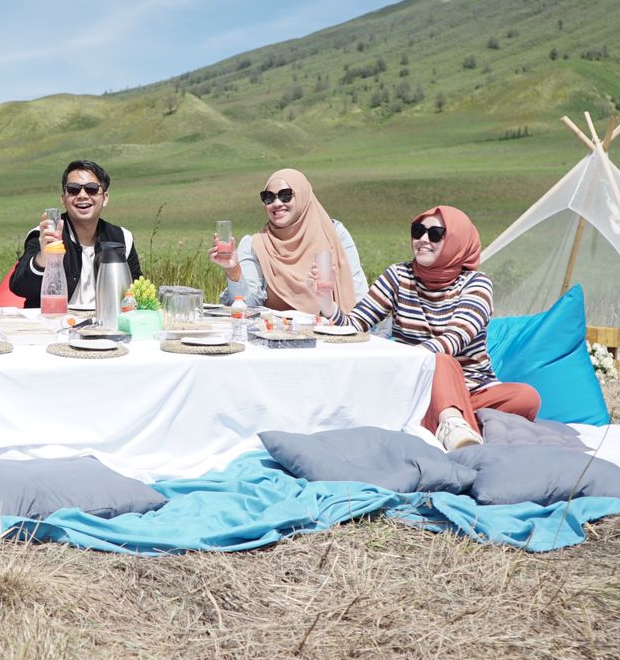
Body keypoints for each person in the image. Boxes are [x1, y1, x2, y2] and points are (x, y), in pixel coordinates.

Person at [315, 205, 540, 451]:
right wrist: (326, 302)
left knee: (527, 397)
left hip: (472, 388)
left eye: (435, 234)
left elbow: (456, 338)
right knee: (440, 361)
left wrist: (412, 357)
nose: (422, 240)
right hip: (415, 382)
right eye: (417, 231)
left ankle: (445, 417)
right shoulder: (399, 276)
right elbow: (355, 324)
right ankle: (453, 426)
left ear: (457, 241)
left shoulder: (476, 284)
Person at [209, 168, 368, 313]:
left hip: (333, 334)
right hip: (277, 336)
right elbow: (246, 304)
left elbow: (357, 291)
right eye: (268, 197)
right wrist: (233, 270)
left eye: (286, 195)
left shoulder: (334, 234)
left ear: (303, 196)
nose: (277, 204)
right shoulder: (256, 245)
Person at [10, 159, 142, 308]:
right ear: (63, 200)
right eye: (73, 189)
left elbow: (136, 293)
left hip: (107, 324)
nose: (82, 195)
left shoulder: (122, 238)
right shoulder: (46, 235)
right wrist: (44, 258)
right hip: (55, 325)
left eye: (91, 188)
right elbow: (19, 287)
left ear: (105, 198)